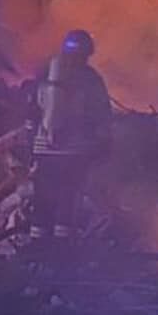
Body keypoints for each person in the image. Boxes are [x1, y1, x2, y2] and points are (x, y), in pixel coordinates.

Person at [28, 28, 113, 241]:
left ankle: (37, 244)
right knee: (68, 195)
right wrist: (103, 141)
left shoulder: (45, 73)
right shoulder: (91, 78)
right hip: (75, 150)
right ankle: (62, 245)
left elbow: (32, 109)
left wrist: (32, 142)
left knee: (43, 197)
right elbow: (101, 113)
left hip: (44, 149)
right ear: (88, 52)